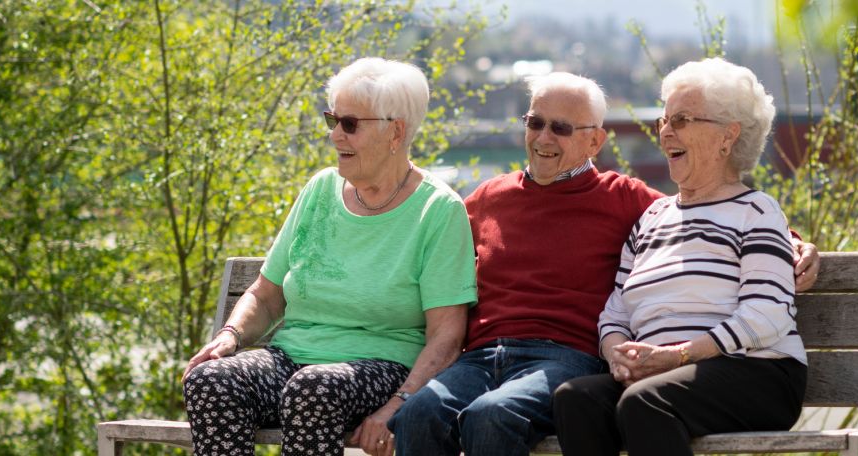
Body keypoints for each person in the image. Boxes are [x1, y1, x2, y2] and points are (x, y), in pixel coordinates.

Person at [388, 71, 820, 455]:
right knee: (425, 415)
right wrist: (617, 351)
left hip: (579, 358)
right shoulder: (494, 198)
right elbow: (618, 306)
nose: (543, 138)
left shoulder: (625, 199)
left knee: (498, 415)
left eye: (560, 128)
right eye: (535, 123)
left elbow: (740, 226)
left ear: (595, 142)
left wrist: (794, 244)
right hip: (487, 355)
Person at [180, 57, 476, 456]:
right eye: (332, 120)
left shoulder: (438, 210)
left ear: (396, 131)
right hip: (291, 361)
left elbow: (447, 336)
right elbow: (266, 295)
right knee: (211, 381)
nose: (335, 135)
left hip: (382, 369)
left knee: (313, 388)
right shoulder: (320, 190)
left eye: (350, 124)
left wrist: (398, 405)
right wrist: (229, 336)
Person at [552, 58, 808, 456]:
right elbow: (615, 313)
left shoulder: (756, 211)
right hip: (663, 375)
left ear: (728, 136)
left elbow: (767, 313)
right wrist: (618, 354)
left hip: (757, 371)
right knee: (575, 399)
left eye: (682, 120)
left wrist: (678, 355)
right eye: (664, 120)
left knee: (645, 402)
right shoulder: (651, 219)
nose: (666, 131)